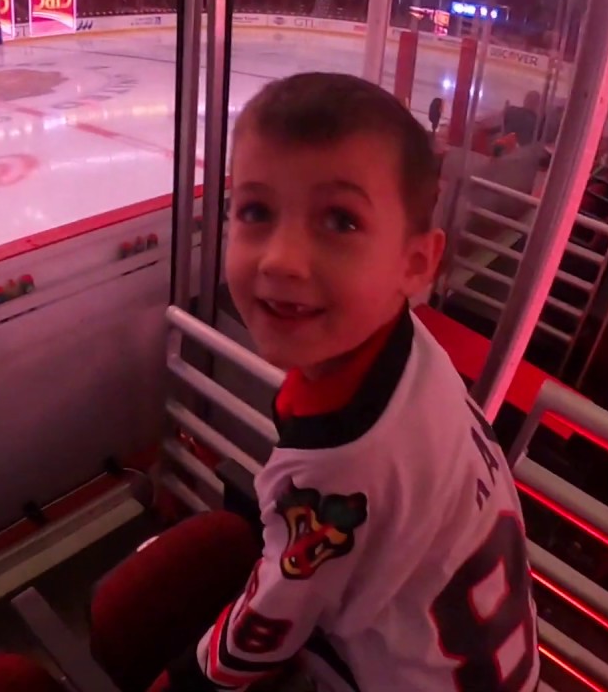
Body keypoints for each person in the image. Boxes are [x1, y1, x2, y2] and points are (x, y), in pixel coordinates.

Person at [161, 73, 539, 692]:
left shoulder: (345, 462)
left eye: (339, 220)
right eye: (255, 210)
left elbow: (266, 630)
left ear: (416, 263)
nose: (281, 258)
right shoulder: (410, 350)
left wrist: (185, 677)